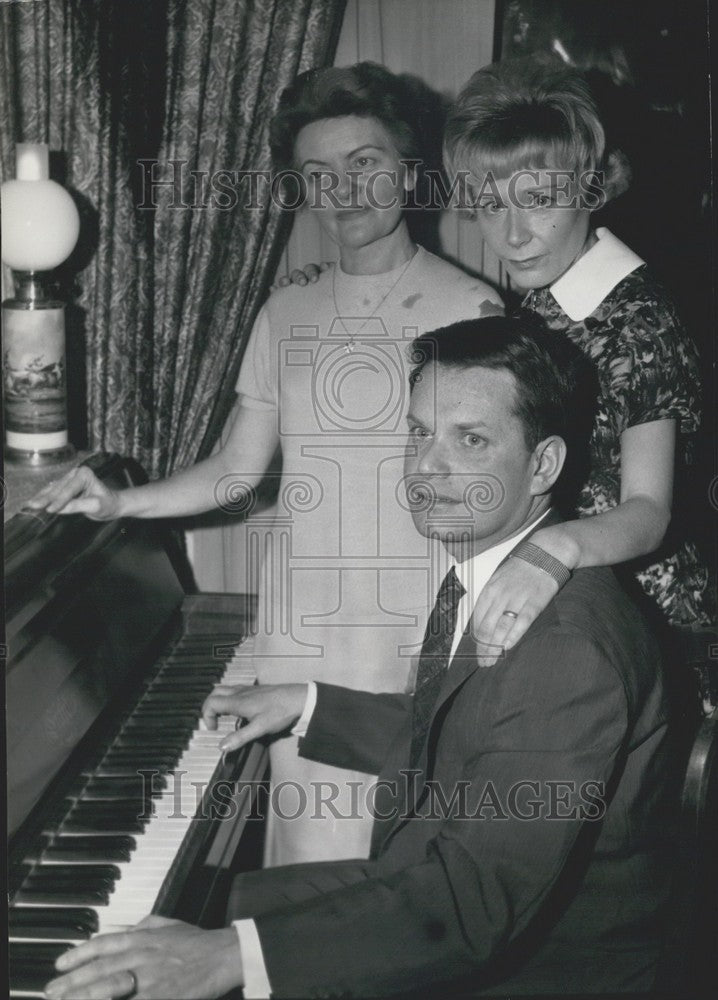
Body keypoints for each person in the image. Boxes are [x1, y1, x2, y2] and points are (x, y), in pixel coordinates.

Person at [45, 316, 671, 1000]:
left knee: (184, 955)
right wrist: (309, 703)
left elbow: (471, 907)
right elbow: (464, 738)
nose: (428, 467)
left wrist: (230, 960)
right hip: (427, 878)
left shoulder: (566, 650)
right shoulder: (496, 568)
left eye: (471, 440)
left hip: (534, 964)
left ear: (543, 464)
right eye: (419, 431)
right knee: (145, 921)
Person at [27, 62, 502, 866]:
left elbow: (492, 499)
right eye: (320, 174)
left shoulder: (475, 311)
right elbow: (236, 471)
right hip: (301, 632)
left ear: (409, 170)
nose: (345, 192)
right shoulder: (285, 310)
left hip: (411, 629)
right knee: (304, 879)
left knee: (401, 879)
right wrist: (120, 506)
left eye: (366, 165)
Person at [286, 57, 714, 673]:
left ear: (590, 190)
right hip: (561, 609)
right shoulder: (541, 295)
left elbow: (649, 513)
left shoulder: (641, 318)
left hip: (641, 637)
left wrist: (548, 553)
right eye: (490, 206)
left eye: (538, 200)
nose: (513, 234)